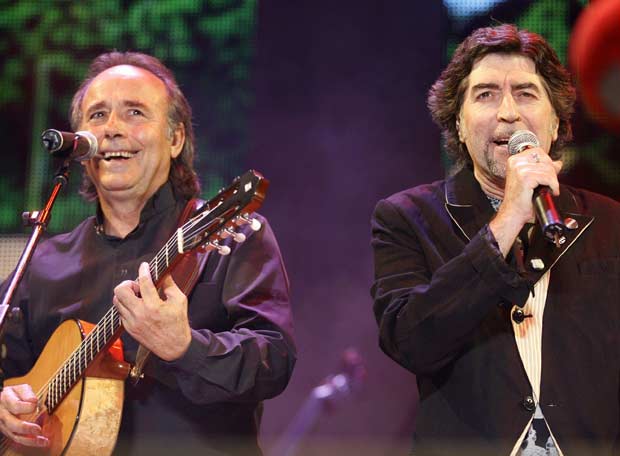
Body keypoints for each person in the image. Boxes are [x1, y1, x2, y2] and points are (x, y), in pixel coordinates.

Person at [0, 52, 296, 455]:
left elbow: (273, 361)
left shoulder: (233, 236)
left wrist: (185, 348)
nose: (112, 130)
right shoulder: (44, 262)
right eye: (98, 115)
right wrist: (6, 407)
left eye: (135, 112)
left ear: (175, 139)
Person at [371, 24, 620, 456]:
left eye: (526, 93)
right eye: (485, 94)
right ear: (458, 126)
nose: (509, 112)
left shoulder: (610, 221)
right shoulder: (406, 218)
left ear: (557, 120)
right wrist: (506, 220)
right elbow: (410, 341)